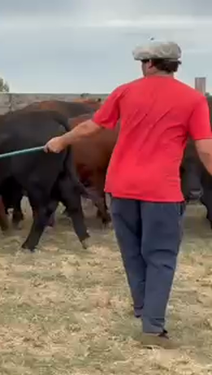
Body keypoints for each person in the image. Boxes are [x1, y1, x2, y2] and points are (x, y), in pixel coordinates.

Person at [44, 40, 212, 349]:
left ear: (149, 64)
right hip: (161, 191)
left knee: (133, 252)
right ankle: (152, 327)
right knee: (160, 257)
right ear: (173, 65)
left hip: (120, 188)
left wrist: (60, 141)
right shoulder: (193, 100)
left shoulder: (125, 92)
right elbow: (205, 149)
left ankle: (143, 310)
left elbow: (91, 128)